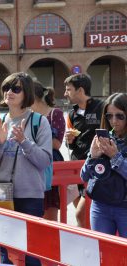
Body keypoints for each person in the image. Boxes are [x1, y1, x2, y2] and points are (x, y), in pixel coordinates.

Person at [0, 72, 52, 266]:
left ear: (26, 92)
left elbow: (44, 161)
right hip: (1, 193)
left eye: (16, 89)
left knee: (31, 251)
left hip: (30, 195)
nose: (9, 92)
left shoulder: (39, 122)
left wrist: (24, 141)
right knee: (4, 248)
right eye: (6, 88)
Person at [81, 92, 127, 237]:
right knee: (102, 254)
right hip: (100, 204)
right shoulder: (103, 138)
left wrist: (115, 157)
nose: (114, 121)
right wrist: (93, 157)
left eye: (120, 116)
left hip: (124, 207)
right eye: (109, 116)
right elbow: (84, 175)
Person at [64, 73, 104, 228]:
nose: (65, 93)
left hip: (96, 169)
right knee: (84, 215)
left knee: (81, 213)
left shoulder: (102, 107)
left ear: (80, 90)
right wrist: (70, 140)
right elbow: (72, 144)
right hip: (77, 168)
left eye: (68, 90)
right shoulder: (72, 113)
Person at [31, 82, 65, 221]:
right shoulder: (27, 115)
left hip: (49, 166)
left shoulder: (54, 113)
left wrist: (29, 141)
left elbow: (57, 143)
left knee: (49, 214)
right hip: (31, 167)